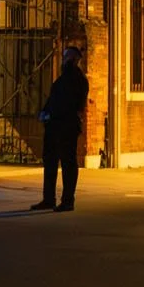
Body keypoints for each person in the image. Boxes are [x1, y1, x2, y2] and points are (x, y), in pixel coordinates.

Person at [32, 45, 88, 212]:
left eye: (67, 57)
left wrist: (53, 114)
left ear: (75, 60)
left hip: (67, 126)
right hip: (54, 126)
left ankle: (67, 200)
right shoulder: (62, 80)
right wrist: (45, 112)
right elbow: (53, 99)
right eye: (64, 57)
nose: (64, 60)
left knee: (68, 163)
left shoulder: (78, 80)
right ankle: (48, 198)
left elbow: (72, 104)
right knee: (50, 162)